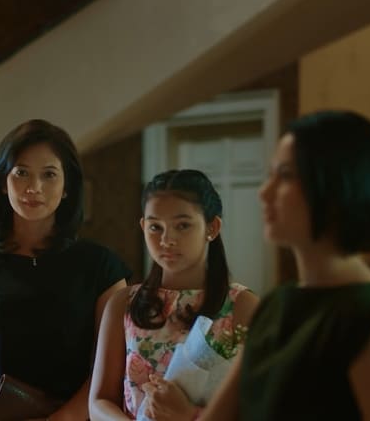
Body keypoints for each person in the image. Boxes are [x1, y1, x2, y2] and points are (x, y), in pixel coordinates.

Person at [200, 110, 370, 420]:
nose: (264, 192)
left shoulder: (367, 318)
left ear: (336, 190)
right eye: (271, 174)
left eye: (285, 176)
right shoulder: (275, 306)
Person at [0, 119, 130, 418]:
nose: (34, 188)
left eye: (49, 174)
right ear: (3, 183)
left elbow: (110, 372)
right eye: (21, 172)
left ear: (67, 187)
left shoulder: (103, 267)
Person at [90, 169, 259, 421]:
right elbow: (99, 401)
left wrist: (190, 416)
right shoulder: (124, 303)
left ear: (212, 227)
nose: (167, 239)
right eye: (155, 227)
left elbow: (260, 407)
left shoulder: (242, 306)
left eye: (182, 225)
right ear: (143, 227)